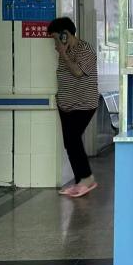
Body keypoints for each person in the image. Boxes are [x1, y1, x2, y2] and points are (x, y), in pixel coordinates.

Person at [47, 17, 99, 198]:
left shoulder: (85, 49)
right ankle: (80, 181)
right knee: (69, 143)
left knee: (73, 139)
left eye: (57, 38)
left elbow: (77, 72)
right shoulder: (66, 51)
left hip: (84, 105)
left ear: (65, 34)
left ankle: (87, 178)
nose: (55, 43)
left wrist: (63, 53)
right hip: (66, 105)